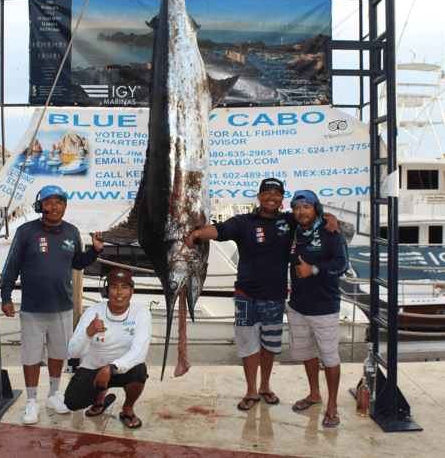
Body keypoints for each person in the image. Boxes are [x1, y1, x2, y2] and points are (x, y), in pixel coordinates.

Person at [182, 178, 338, 411]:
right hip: (245, 296)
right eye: (267, 193)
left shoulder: (289, 220)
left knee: (269, 345)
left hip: (275, 297)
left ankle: (265, 386)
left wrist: (330, 217)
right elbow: (220, 230)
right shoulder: (243, 221)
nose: (272, 197)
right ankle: (251, 390)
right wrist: (197, 235)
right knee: (247, 345)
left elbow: (312, 216)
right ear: (259, 196)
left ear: (282, 199)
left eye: (277, 194)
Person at [0, 185, 105, 425]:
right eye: (49, 202)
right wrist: (6, 297)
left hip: (62, 308)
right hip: (32, 309)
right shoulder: (26, 231)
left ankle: (53, 394)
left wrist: (95, 251)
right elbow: (11, 266)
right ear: (39, 206)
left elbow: (78, 262)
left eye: (59, 202)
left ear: (65, 206)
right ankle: (31, 400)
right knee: (31, 356)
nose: (54, 206)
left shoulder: (72, 231)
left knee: (59, 354)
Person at [286, 190, 349, 429]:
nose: (301, 212)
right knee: (309, 352)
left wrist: (313, 269)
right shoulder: (292, 230)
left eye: (307, 207)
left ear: (316, 209)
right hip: (298, 306)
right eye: (297, 208)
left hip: (325, 307)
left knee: (330, 356)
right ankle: (314, 394)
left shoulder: (331, 231)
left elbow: (342, 264)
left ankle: (332, 405)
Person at [64, 268, 152, 429]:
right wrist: (88, 332)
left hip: (121, 369)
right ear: (106, 291)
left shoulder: (142, 313)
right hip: (93, 368)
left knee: (140, 370)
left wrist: (110, 368)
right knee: (72, 402)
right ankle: (100, 400)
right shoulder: (93, 311)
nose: (119, 292)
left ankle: (127, 408)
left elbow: (139, 351)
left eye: (125, 287)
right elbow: (72, 352)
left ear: (132, 291)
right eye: (114, 287)